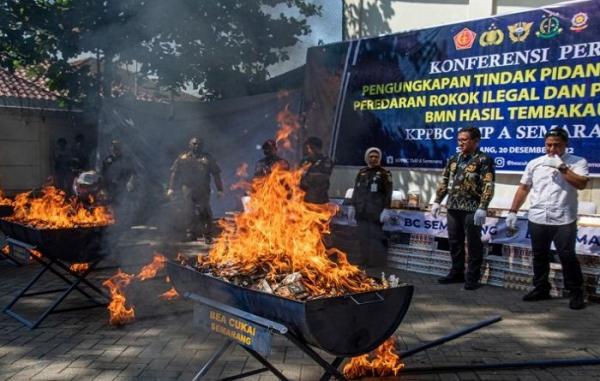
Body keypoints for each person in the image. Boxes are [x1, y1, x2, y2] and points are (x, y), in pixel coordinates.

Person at [506, 128, 588, 310]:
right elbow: (524, 188)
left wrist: (561, 167)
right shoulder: (535, 163)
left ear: (565, 145)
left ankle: (576, 292)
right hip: (538, 216)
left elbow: (581, 184)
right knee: (539, 255)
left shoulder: (577, 162)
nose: (552, 149)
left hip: (563, 217)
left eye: (557, 145)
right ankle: (541, 288)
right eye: (548, 145)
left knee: (567, 256)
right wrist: (513, 211)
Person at [432, 127, 495, 290]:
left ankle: (472, 277)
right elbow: (444, 180)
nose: (461, 143)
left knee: (473, 243)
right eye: (459, 139)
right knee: (454, 242)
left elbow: (488, 185)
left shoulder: (484, 159)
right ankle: (457, 272)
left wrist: (483, 207)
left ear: (475, 141)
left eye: (464, 140)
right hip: (453, 207)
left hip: (472, 208)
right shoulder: (454, 158)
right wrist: (437, 201)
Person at [167, 137, 224, 243]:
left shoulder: (208, 158)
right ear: (189, 145)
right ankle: (190, 233)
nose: (196, 146)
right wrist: (171, 188)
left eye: (199, 144)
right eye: (194, 144)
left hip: (203, 189)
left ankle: (207, 234)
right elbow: (174, 173)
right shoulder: (182, 158)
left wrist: (220, 189)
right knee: (188, 210)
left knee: (204, 211)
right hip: (187, 189)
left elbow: (216, 174)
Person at [348, 147, 393, 268]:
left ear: (379, 158)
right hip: (361, 210)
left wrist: (386, 209)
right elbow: (356, 190)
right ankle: (364, 261)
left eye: (376, 157)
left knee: (374, 238)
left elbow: (388, 192)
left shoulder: (385, 173)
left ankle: (375, 263)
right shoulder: (362, 172)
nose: (373, 158)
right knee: (362, 238)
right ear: (367, 158)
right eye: (371, 156)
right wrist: (352, 206)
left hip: (376, 211)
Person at [101, 139, 137, 224]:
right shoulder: (107, 160)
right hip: (110, 186)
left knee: (122, 205)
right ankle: (114, 223)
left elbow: (133, 172)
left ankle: (122, 223)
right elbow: (102, 174)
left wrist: (130, 182)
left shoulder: (126, 159)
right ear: (111, 148)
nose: (115, 149)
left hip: (122, 186)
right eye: (113, 147)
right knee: (111, 205)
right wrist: (103, 187)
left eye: (117, 147)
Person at [299, 136, 333, 204]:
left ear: (316, 148)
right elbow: (298, 175)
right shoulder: (305, 161)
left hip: (319, 198)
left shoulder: (326, 161)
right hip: (305, 198)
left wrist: (306, 176)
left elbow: (322, 177)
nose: (308, 150)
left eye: (310, 148)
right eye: (308, 148)